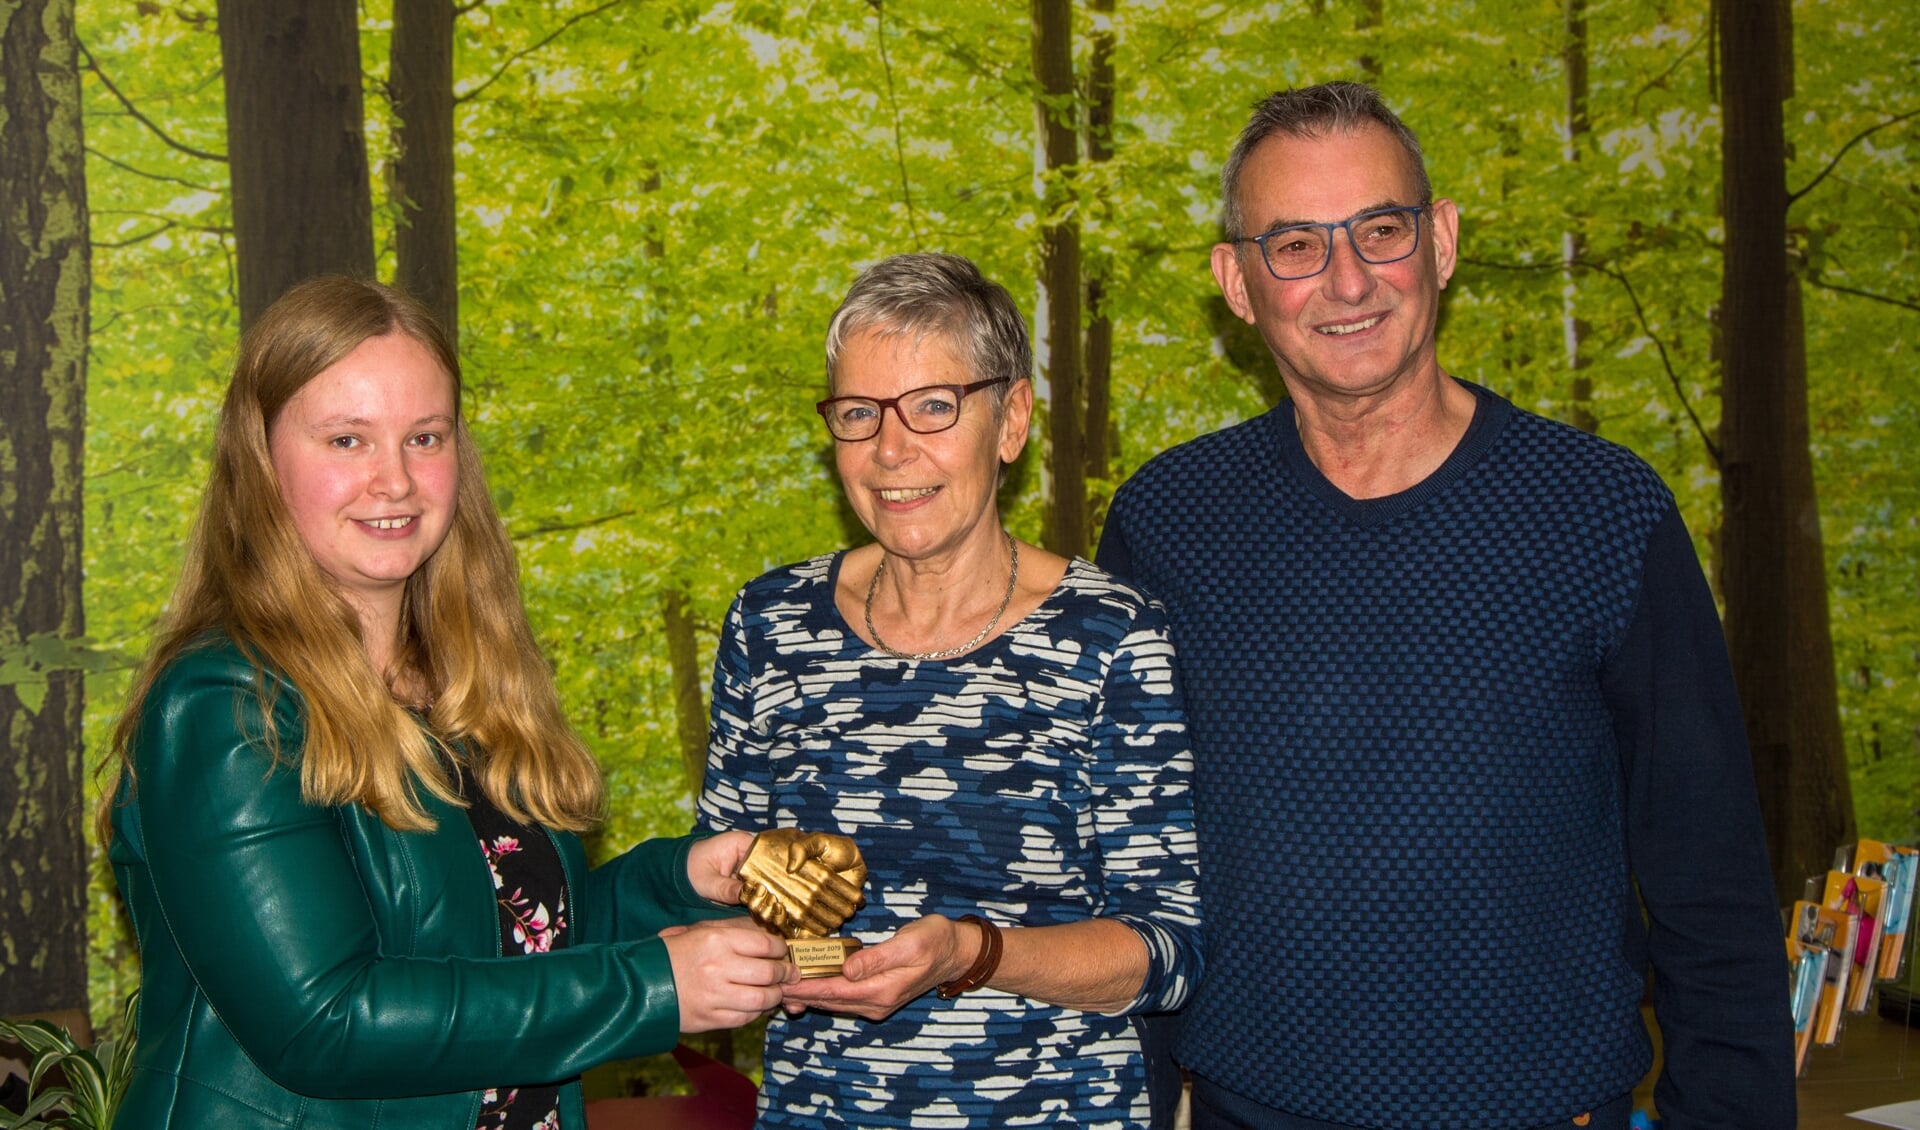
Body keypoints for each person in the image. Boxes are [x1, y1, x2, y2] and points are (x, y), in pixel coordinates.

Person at [1096, 82, 1794, 1130]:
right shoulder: (1167, 523)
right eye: (1293, 245)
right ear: (1236, 283)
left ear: (1443, 241)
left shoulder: (1603, 512)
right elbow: (1129, 867)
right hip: (1249, 1110)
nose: (1347, 279)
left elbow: (1714, 889)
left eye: (1380, 229)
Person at [98, 276, 794, 1129]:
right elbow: (325, 1021)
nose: (393, 480)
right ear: (262, 460)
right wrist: (654, 986)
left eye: (423, 437)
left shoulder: (464, 687)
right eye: (347, 440)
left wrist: (678, 883)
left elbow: (511, 946)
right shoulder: (223, 703)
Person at [695, 252, 1203, 1128]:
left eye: (934, 407)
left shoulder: (1111, 636)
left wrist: (970, 953)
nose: (892, 450)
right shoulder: (770, 624)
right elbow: (719, 878)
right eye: (859, 414)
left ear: (1010, 422)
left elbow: (1165, 953)